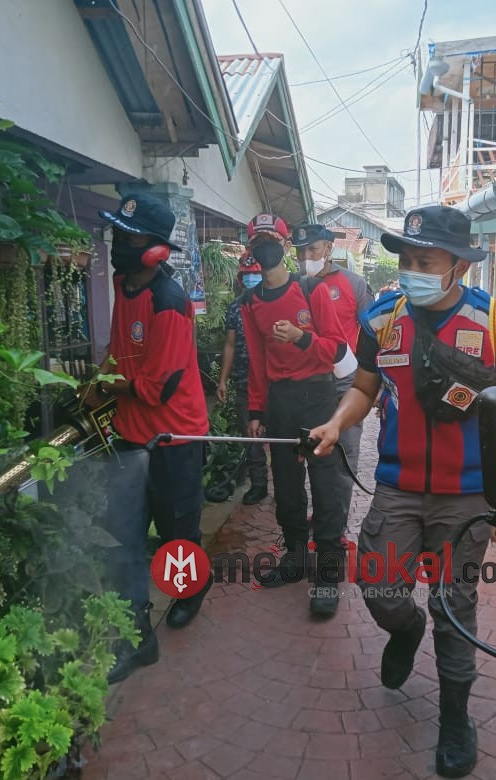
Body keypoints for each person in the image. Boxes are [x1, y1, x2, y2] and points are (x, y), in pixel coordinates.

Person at [309, 205, 496, 777]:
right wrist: (338, 423)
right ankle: (403, 632)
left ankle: (455, 718)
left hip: (468, 494)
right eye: (405, 259)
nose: (411, 269)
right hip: (397, 485)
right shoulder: (382, 318)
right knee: (381, 587)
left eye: (424, 260)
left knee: (453, 605)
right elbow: (363, 385)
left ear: (458, 264)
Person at [82, 192, 211, 684]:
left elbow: (159, 388)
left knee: (178, 531)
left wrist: (105, 390)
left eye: (129, 236)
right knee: (124, 538)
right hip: (128, 437)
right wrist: (100, 383)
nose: (118, 242)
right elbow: (119, 354)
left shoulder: (170, 302)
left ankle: (188, 591)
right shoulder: (123, 283)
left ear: (156, 249)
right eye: (117, 231)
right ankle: (137, 638)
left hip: (174, 437)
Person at [239, 213, 350, 617]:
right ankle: (295, 556)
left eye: (272, 240)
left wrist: (302, 337)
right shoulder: (251, 304)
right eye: (258, 242)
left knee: (325, 484)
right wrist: (255, 408)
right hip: (280, 400)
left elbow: (336, 350)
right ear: (252, 250)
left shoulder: (312, 290)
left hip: (318, 396)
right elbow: (256, 359)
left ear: (286, 247)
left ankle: (327, 571)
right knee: (285, 484)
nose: (264, 247)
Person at [292, 223, 374, 520]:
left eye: (312, 249)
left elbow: (371, 333)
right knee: (312, 453)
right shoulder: (292, 286)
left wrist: (371, 383)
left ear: (328, 249)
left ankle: (335, 523)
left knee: (344, 453)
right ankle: (320, 514)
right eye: (300, 251)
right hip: (308, 384)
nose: (305, 257)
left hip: (344, 382)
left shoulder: (353, 284)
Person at [217, 255, 269, 505]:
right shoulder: (235, 306)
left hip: (274, 381)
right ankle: (258, 484)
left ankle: (288, 484)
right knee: (251, 435)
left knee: (281, 434)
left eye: (255, 272)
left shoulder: (274, 300)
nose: (250, 278)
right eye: (246, 274)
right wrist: (222, 380)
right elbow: (229, 344)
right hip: (244, 381)